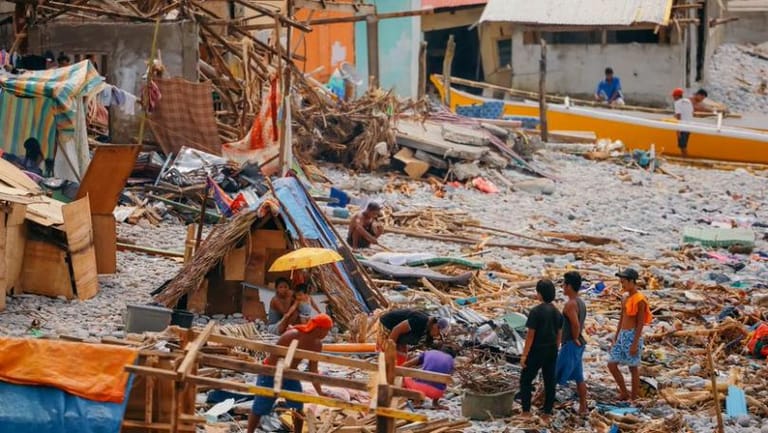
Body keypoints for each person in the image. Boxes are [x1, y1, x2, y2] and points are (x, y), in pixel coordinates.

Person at [247, 314, 333, 433]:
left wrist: (320, 391)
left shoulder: (317, 345)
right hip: (270, 372)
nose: (327, 334)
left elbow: (313, 370)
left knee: (298, 405)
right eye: (326, 330)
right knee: (260, 407)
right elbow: (274, 356)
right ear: (318, 328)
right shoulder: (292, 335)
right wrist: (278, 376)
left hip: (290, 374)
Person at [519, 280, 563, 421]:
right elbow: (559, 335)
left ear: (540, 294)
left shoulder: (536, 312)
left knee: (526, 380)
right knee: (550, 381)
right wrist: (555, 349)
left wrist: (524, 355)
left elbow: (530, 335)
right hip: (551, 350)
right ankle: (547, 413)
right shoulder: (557, 313)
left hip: (537, 350)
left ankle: (526, 411)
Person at [607, 268, 652, 402]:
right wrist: (616, 336)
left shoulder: (640, 300)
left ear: (632, 281)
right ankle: (624, 392)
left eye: (624, 282)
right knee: (612, 365)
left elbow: (640, 323)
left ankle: (633, 397)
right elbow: (621, 318)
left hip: (632, 336)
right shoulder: (625, 297)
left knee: (633, 368)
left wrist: (634, 343)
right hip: (622, 335)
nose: (622, 285)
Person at [555, 271, 588, 414]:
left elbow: (575, 324)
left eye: (564, 284)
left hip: (571, 344)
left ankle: (546, 406)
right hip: (579, 344)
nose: (562, 286)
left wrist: (574, 337)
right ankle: (583, 406)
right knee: (579, 377)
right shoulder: (580, 302)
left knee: (555, 374)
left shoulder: (570, 304)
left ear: (569, 286)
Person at [378, 309, 449, 366]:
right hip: (387, 325)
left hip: (398, 331)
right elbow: (396, 330)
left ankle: (399, 366)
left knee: (402, 351)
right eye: (438, 333)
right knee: (386, 352)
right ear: (435, 325)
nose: (437, 336)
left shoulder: (427, 327)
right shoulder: (420, 320)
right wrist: (389, 350)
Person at [402, 346, 456, 410]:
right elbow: (450, 375)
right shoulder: (451, 360)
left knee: (405, 378)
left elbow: (409, 364)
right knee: (442, 380)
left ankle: (417, 401)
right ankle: (435, 403)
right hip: (436, 393)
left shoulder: (429, 352)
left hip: (419, 389)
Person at [672, 88, 694, 157]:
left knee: (682, 145)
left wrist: (677, 130)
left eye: (674, 96)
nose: (673, 98)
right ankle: (684, 157)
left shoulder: (677, 103)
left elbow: (678, 116)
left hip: (682, 127)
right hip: (689, 126)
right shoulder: (688, 101)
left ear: (677, 96)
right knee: (684, 144)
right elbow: (691, 112)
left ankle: (685, 158)